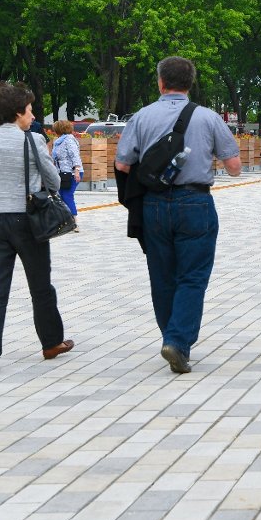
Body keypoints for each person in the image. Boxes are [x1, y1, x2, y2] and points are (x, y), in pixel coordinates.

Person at [115, 56, 241, 374]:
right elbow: (235, 168)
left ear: (161, 83)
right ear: (190, 83)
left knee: (162, 276)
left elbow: (122, 164)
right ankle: (177, 340)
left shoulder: (141, 117)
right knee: (193, 276)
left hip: (153, 205)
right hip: (196, 202)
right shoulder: (209, 118)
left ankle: (172, 338)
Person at [0, 82, 74, 374]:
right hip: (27, 219)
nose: (32, 116)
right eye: (29, 110)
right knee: (40, 285)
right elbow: (54, 181)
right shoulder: (33, 140)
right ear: (18, 112)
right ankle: (51, 343)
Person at [51, 120, 84, 231]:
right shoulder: (59, 141)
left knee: (67, 195)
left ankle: (74, 222)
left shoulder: (69, 140)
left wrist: (77, 170)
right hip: (62, 173)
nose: (54, 131)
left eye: (55, 129)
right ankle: (65, 222)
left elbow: (75, 155)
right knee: (61, 196)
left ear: (59, 129)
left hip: (72, 172)